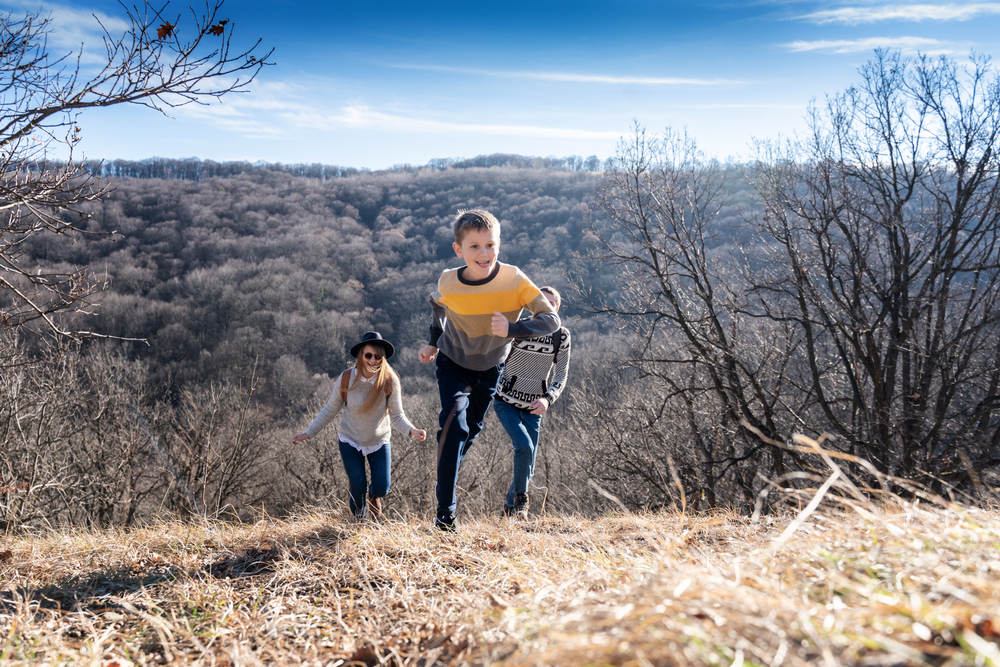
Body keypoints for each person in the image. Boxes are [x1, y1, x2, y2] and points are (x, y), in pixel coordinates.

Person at [418, 209, 559, 532]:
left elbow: (552, 320)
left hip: (490, 368)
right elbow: (438, 305)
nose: (484, 254)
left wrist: (512, 328)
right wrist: (434, 341)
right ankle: (445, 516)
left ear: (499, 244)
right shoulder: (448, 281)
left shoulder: (514, 279)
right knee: (453, 425)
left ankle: (447, 464)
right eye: (474, 247)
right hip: (453, 361)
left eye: (490, 245)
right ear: (459, 250)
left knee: (470, 431)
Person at [292, 332, 426, 520]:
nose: (373, 360)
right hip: (350, 439)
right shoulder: (347, 378)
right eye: (368, 355)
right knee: (358, 485)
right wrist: (308, 433)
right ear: (360, 356)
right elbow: (330, 409)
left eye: (377, 356)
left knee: (382, 487)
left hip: (378, 440)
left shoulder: (389, 380)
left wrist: (412, 430)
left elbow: (397, 416)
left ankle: (373, 496)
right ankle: (358, 523)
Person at [494, 286, 570, 519]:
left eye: (550, 304)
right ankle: (521, 504)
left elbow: (561, 374)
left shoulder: (561, 336)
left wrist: (548, 399)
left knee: (529, 465)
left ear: (556, 309)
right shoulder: (520, 328)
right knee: (524, 447)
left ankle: (509, 510)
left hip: (534, 407)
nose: (544, 309)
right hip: (505, 401)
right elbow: (496, 358)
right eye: (541, 303)